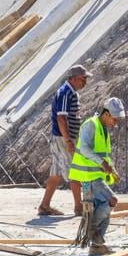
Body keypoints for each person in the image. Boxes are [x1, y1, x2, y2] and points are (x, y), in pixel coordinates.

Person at [69, 96, 126, 256]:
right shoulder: (91, 125)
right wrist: (102, 163)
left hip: (98, 176)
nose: (116, 123)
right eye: (114, 119)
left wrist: (113, 170)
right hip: (90, 176)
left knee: (105, 212)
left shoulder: (103, 129)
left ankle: (97, 245)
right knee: (111, 201)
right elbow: (85, 148)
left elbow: (105, 155)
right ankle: (91, 228)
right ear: (106, 114)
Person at [36, 64, 90, 217]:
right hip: (63, 138)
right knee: (74, 171)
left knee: (56, 173)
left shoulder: (71, 92)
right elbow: (61, 118)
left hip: (62, 137)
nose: (85, 82)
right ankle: (79, 207)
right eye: (82, 79)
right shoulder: (65, 93)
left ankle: (44, 206)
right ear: (73, 78)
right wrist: (68, 140)